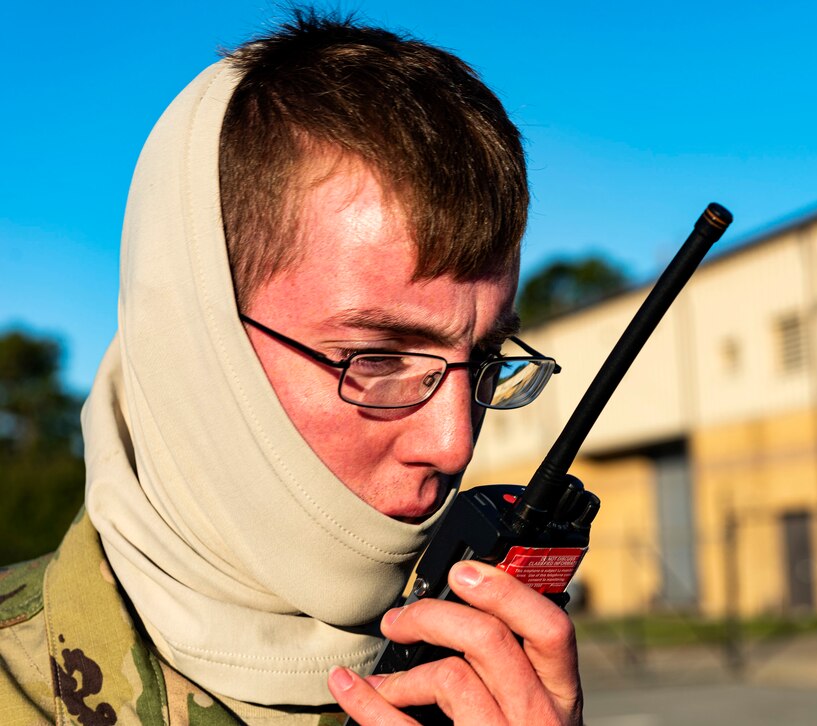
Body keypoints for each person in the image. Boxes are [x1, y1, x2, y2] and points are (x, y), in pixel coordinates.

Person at [0, 10, 583, 725]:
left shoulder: (491, 689)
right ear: (197, 343)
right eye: (380, 357)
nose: (454, 442)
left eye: (484, 359)